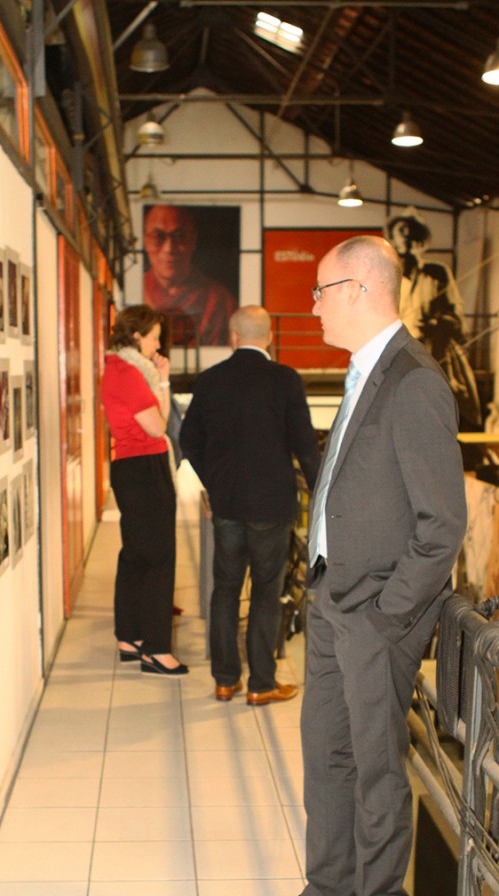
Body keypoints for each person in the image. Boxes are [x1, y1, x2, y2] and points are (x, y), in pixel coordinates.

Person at [250, 236, 466, 896]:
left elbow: (443, 528)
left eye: (319, 290)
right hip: (334, 598)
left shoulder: (414, 384)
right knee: (327, 755)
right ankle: (329, 894)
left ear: (361, 289)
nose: (310, 305)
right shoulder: (363, 374)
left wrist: (387, 614)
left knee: (375, 767)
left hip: (377, 613)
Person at [180, 305, 319, 704]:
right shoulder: (285, 380)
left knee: (224, 591)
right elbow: (305, 447)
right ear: (270, 336)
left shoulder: (210, 381)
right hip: (272, 506)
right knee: (265, 591)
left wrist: (215, 484)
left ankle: (225, 680)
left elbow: (190, 440)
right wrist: (322, 492)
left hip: (227, 506)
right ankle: (261, 684)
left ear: (233, 336)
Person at [101, 305, 188, 676]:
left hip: (133, 466)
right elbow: (158, 427)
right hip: (144, 468)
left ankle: (130, 636)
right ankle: (156, 649)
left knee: (136, 554)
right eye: (154, 336)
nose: (158, 343)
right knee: (159, 558)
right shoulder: (128, 372)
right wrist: (160, 385)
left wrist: (164, 380)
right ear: (136, 336)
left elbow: (162, 417)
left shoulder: (132, 370)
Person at [386, 211, 482, 433]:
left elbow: (456, 319)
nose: (406, 240)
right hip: (398, 354)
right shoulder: (387, 276)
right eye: (400, 234)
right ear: (392, 239)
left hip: (435, 352)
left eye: (412, 235)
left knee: (450, 405)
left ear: (422, 242)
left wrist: (437, 324)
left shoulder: (437, 273)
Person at [143, 205, 236, 347]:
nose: (169, 248)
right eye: (158, 237)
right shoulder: (139, 290)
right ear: (145, 241)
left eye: (179, 236)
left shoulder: (219, 299)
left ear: (193, 240)